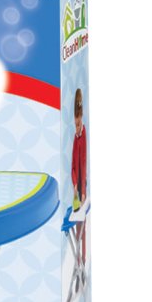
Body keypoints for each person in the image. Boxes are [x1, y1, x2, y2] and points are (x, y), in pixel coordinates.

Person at [71, 88, 88, 267]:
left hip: (83, 187)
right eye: (74, 125)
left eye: (78, 125)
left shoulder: (83, 138)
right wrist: (75, 185)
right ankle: (77, 260)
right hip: (77, 188)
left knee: (83, 222)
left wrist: (83, 191)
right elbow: (73, 167)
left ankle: (83, 258)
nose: (76, 128)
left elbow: (83, 165)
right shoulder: (75, 140)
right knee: (76, 221)